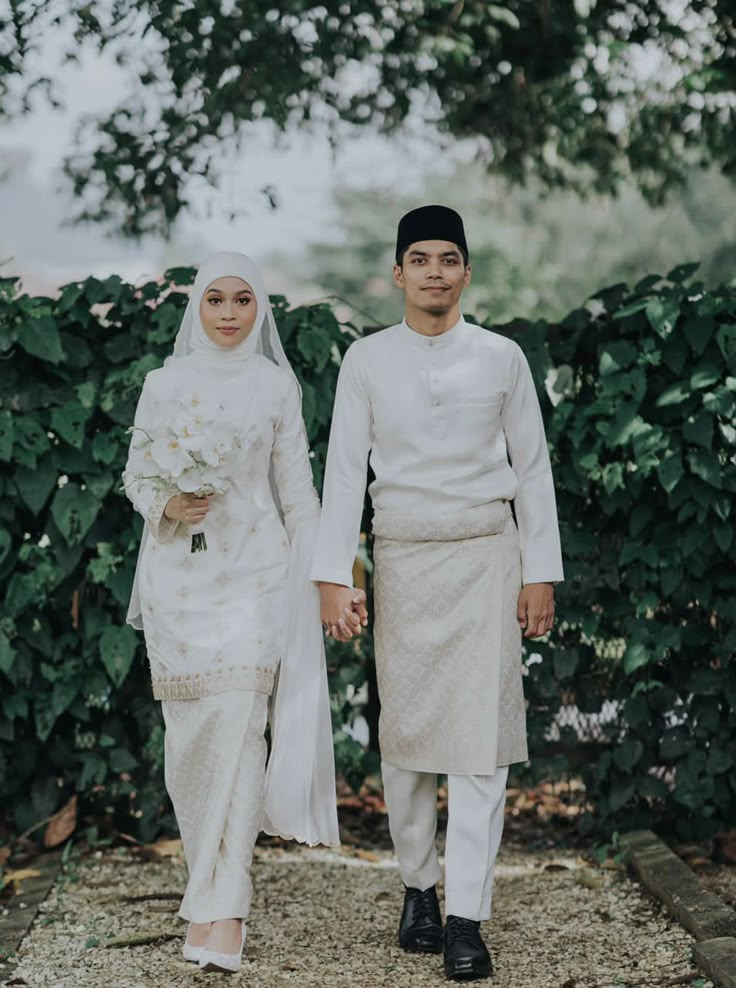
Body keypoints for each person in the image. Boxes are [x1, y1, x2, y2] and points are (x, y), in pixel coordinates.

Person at [311, 206, 564, 981]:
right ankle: (418, 888)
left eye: (447, 258)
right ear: (397, 273)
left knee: (482, 745)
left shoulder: (500, 357)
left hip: (488, 555)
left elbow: (532, 468)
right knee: (409, 742)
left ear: (465, 271)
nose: (433, 271)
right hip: (405, 559)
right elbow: (345, 472)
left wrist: (540, 573)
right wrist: (332, 577)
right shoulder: (366, 360)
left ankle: (466, 917)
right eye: (418, 259)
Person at [123, 252, 366, 975]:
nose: (229, 313)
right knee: (192, 745)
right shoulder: (163, 384)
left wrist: (326, 574)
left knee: (241, 731)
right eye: (216, 300)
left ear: (260, 309)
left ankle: (224, 909)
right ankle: (206, 890)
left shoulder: (274, 387)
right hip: (179, 581)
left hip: (256, 581)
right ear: (196, 307)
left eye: (243, 301)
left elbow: (298, 494)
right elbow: (137, 475)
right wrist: (168, 502)